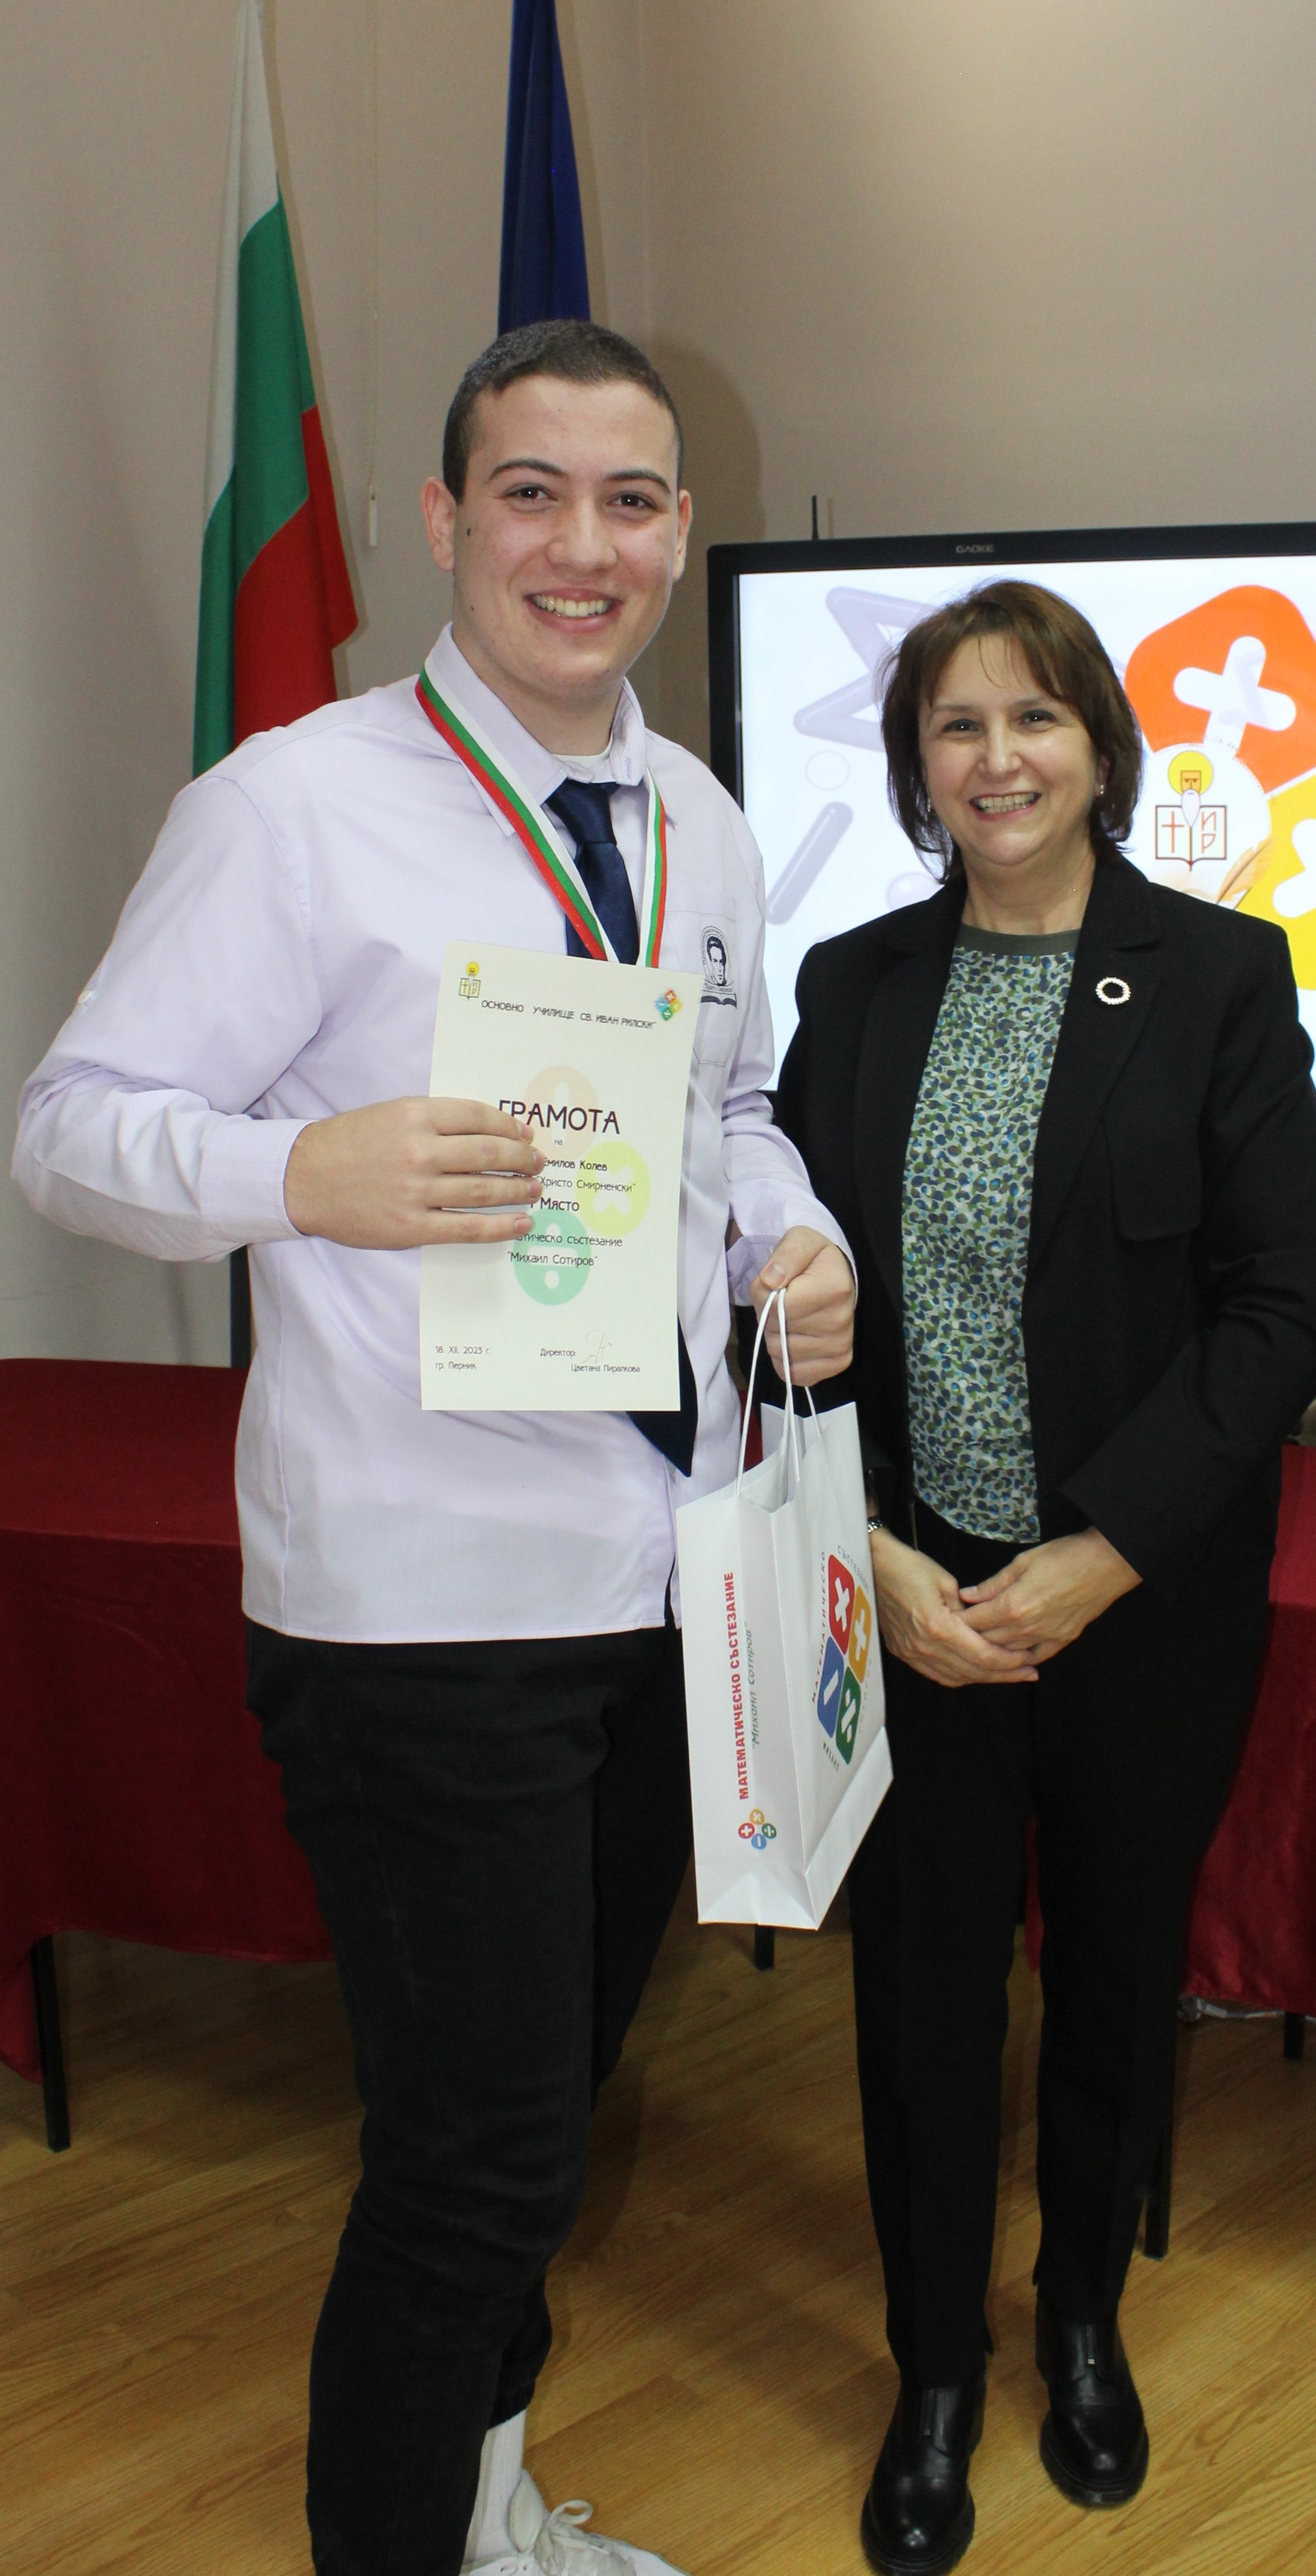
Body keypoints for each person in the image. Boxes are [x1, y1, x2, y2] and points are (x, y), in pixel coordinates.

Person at [12, 319, 854, 2576]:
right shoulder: (289, 807)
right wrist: (302, 1173)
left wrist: (794, 1239)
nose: (586, 546)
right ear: (443, 520)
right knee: (471, 2166)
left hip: (655, 1576)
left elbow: (734, 1112)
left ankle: (488, 2520)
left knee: (538, 2128)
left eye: (632, 500)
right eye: (533, 493)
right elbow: (70, 1131)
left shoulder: (697, 823)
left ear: (681, 528)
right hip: (419, 1604)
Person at [773, 581, 1316, 2575]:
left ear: (1102, 745)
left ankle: (1082, 2322)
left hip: (1138, 1601)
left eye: (1034, 718)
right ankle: (935, 2371)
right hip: (913, 1598)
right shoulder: (851, 985)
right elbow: (784, 1293)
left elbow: (1279, 1311)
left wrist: (1103, 1551)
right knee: (920, 2003)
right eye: (956, 725)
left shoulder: (1219, 977)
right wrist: (871, 1550)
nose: (997, 758)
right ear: (914, 768)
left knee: (1112, 1978)